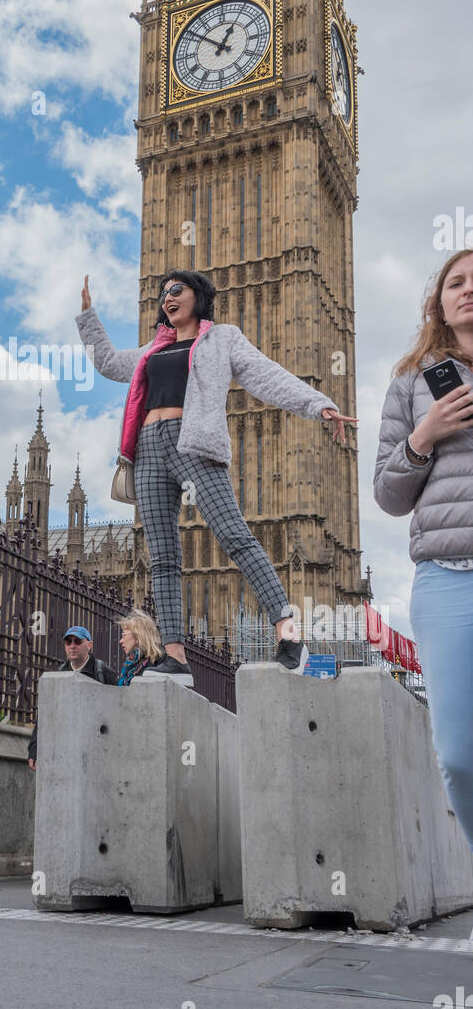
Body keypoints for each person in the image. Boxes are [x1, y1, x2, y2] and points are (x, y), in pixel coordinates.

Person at [77, 272, 356, 680]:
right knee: (163, 559)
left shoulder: (221, 339)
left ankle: (289, 634)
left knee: (235, 536)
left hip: (194, 444)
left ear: (198, 296)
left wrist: (318, 405)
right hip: (149, 450)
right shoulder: (154, 348)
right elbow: (107, 363)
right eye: (163, 293)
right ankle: (175, 658)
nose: (167, 298)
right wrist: (88, 316)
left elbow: (266, 375)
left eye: (177, 290)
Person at [374, 248, 473, 853]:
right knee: (459, 757)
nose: (468, 290)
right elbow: (387, 495)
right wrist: (424, 433)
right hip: (446, 577)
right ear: (438, 301)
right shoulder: (413, 381)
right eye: (456, 282)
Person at [27, 625, 118, 769]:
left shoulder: (104, 673)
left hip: (97, 749)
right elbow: (45, 716)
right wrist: (34, 750)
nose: (72, 646)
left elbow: (117, 713)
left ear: (89, 645)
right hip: (65, 749)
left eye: (78, 641)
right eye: (68, 642)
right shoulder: (58, 675)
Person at [116, 609, 165, 685]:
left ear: (139, 635)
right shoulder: (130, 664)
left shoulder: (159, 663)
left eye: (124, 635)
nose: (121, 641)